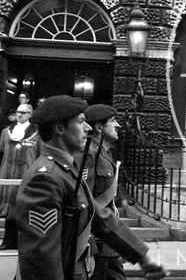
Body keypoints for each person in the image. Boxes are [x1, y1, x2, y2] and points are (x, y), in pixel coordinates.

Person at [14, 95, 166, 280]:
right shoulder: (45, 178)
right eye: (81, 122)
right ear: (60, 128)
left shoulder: (66, 170)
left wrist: (142, 257)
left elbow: (99, 217)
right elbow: (42, 259)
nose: (88, 128)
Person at [75, 104, 126, 280]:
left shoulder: (104, 152)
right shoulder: (88, 153)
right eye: (113, 121)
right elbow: (83, 200)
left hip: (108, 239)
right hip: (98, 241)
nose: (118, 125)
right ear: (98, 127)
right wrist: (88, 242)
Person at [0, 103, 39, 250]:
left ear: (30, 114)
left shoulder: (37, 133)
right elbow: (2, 152)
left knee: (23, 208)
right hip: (8, 175)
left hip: (26, 176)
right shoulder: (6, 132)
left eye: (23, 112)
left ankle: (22, 240)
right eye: (18, 112)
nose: (20, 115)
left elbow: (39, 154)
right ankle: (7, 240)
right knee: (8, 208)